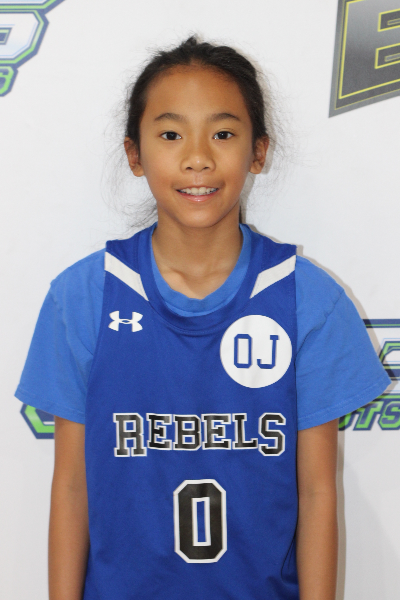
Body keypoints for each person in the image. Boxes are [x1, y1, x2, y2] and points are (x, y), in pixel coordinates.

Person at [15, 36, 390, 600]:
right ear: (134, 154)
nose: (198, 158)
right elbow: (71, 487)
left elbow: (316, 492)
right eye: (171, 135)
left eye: (223, 134)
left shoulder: (306, 299)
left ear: (258, 151)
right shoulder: (84, 297)